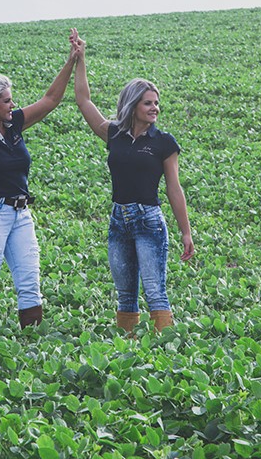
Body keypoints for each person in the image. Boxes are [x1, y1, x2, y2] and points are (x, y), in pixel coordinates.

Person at [0, 35, 78, 336]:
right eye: (7, 100)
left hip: (21, 214)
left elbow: (50, 100)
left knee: (30, 283)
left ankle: (32, 347)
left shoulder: (13, 125)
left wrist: (71, 60)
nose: (13, 105)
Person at [71, 28, 195, 333]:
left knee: (155, 292)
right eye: (148, 103)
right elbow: (83, 100)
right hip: (118, 220)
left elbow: (174, 188)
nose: (155, 108)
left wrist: (186, 232)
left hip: (149, 221)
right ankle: (128, 348)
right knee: (125, 295)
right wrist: (80, 59)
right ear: (132, 105)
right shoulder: (114, 133)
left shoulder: (164, 142)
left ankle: (163, 349)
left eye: (156, 103)